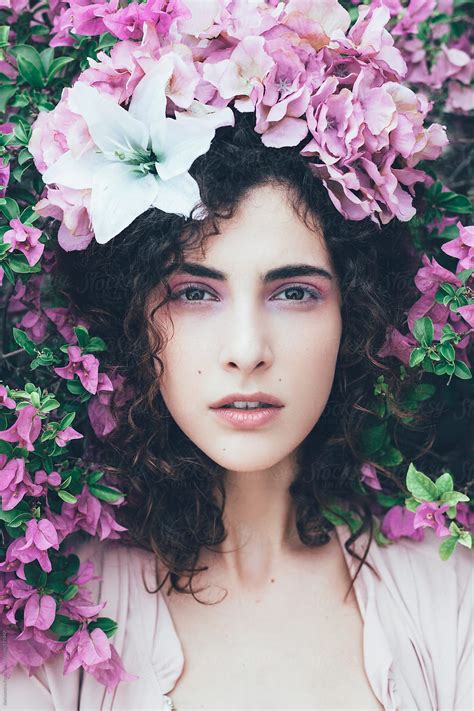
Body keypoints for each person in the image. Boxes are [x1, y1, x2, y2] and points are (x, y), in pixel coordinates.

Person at [5, 110, 471, 711]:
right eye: (195, 293)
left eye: (294, 292)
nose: (247, 351)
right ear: (130, 318)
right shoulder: (52, 621)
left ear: (350, 316)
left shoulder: (452, 598)